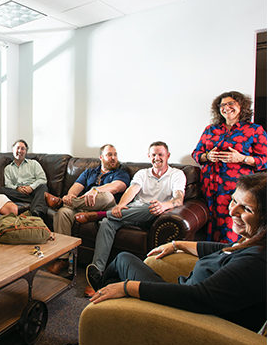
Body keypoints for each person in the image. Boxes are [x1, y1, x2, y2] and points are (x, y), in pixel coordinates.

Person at [88, 172, 266, 333]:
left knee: (122, 261)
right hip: (184, 298)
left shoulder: (257, 261)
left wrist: (127, 287)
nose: (232, 210)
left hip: (183, 313)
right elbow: (226, 250)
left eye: (247, 209)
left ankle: (100, 319)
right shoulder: (252, 244)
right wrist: (176, 244)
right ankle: (104, 310)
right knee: (121, 259)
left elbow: (199, 297)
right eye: (234, 200)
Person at [84, 141, 186, 293]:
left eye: (160, 154)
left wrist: (165, 205)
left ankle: (100, 214)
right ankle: (98, 274)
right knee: (106, 223)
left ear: (168, 156)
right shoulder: (142, 173)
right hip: (133, 212)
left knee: (152, 207)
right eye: (153, 155)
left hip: (154, 213)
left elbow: (178, 199)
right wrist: (120, 205)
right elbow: (133, 189)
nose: (156, 158)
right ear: (148, 156)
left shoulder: (177, 174)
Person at [191, 91, 266, 243]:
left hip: (236, 190)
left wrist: (242, 158)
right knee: (209, 226)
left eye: (231, 103)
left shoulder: (254, 130)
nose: (226, 107)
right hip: (210, 187)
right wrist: (207, 156)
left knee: (233, 225)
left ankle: (231, 257)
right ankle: (209, 257)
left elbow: (265, 159)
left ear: (241, 106)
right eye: (223, 105)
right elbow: (196, 153)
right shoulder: (211, 129)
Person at [51, 144, 130, 236]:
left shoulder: (121, 172)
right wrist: (70, 195)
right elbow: (76, 186)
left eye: (115, 155)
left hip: (105, 207)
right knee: (62, 213)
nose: (113, 158)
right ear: (101, 157)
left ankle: (62, 202)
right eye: (109, 155)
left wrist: (95, 190)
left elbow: (116, 187)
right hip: (84, 206)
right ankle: (65, 250)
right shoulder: (89, 172)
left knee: (107, 196)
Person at [0, 139, 49, 218]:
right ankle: (37, 200)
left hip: (34, 191)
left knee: (43, 187)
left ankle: (35, 213)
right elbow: (8, 184)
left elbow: (42, 179)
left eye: (22, 149)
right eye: (17, 148)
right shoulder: (8, 168)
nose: (19, 151)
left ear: (26, 151)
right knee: (2, 190)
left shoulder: (34, 163)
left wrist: (31, 187)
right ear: (13, 150)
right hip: (18, 193)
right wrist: (17, 188)